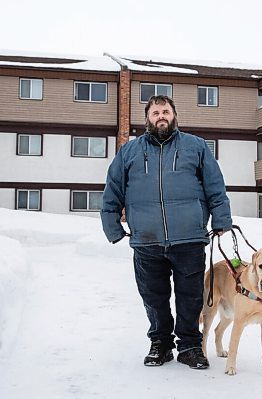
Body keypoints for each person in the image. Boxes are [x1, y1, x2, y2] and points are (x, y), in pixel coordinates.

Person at [101, 95, 232, 370]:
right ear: (147, 118)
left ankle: (190, 346)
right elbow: (113, 189)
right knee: (153, 296)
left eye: (166, 111)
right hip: (146, 239)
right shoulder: (129, 152)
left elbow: (215, 186)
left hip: (189, 238)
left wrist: (221, 220)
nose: (161, 116)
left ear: (174, 115)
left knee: (191, 295)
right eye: (156, 112)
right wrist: (112, 225)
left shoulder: (195, 147)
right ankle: (160, 344)